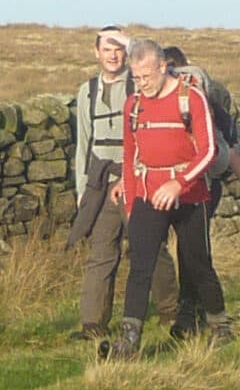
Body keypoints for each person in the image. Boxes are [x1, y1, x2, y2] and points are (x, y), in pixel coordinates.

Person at [106, 40, 230, 359]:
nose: (142, 83)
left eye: (147, 76)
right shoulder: (133, 104)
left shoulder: (192, 99)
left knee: (197, 262)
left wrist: (180, 183)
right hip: (148, 195)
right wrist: (133, 206)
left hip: (190, 195)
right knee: (140, 265)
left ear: (162, 67)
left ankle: (219, 325)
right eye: (136, 77)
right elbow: (131, 156)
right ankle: (129, 340)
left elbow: (208, 152)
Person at [66, 27, 175, 342]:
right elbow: (84, 142)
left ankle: (170, 311)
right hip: (102, 183)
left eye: (118, 49)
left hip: (138, 179)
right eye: (106, 49)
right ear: (96, 53)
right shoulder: (86, 91)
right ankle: (93, 324)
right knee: (101, 251)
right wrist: (83, 189)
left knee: (150, 246)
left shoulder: (140, 83)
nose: (113, 55)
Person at [162, 44, 240, 332]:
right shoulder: (201, 95)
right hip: (198, 183)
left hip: (201, 184)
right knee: (190, 250)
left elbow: (223, 146)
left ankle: (203, 316)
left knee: (193, 251)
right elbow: (229, 148)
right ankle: (193, 314)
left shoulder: (198, 101)